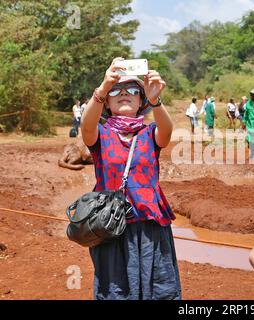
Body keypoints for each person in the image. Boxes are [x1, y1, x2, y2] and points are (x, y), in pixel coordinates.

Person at [80, 57, 181, 300]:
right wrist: (103, 87)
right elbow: (86, 126)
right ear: (107, 102)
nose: (124, 93)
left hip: (150, 229)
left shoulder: (150, 134)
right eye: (117, 89)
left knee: (157, 291)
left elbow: (167, 131)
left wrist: (156, 100)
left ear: (141, 100)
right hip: (112, 229)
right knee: (116, 293)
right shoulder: (100, 135)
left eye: (133, 89)